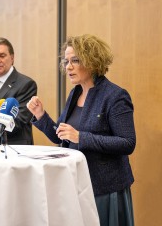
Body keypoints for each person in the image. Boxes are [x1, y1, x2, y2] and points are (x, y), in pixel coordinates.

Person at [27, 34, 135, 226]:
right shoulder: (75, 92)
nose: (68, 67)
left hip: (105, 188)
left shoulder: (116, 96)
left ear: (92, 61)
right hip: (77, 183)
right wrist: (41, 115)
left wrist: (81, 137)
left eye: (75, 60)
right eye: (66, 61)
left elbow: (127, 143)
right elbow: (59, 135)